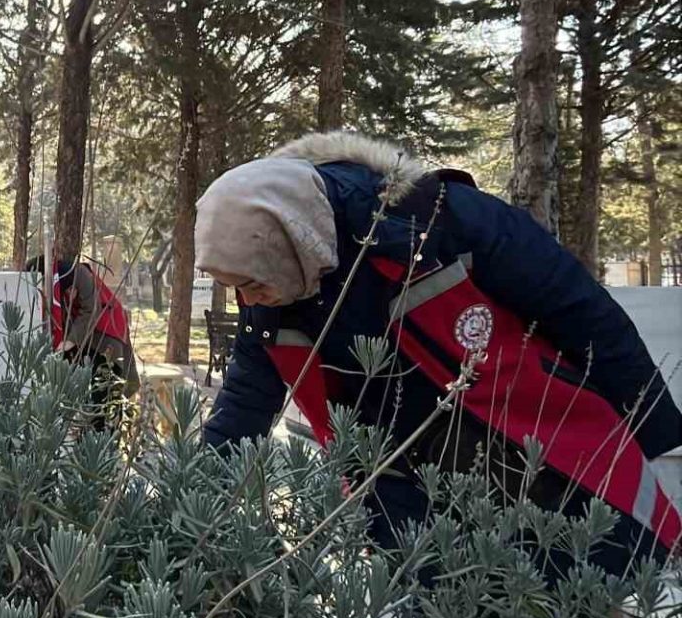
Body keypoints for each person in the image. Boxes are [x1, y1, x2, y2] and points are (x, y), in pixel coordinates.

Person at [195, 131, 681, 577]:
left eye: (251, 283)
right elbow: (245, 401)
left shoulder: (436, 221)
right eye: (236, 286)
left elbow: (581, 311)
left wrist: (659, 438)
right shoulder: (272, 291)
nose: (248, 298)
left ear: (291, 241)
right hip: (404, 494)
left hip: (531, 457)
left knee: (584, 597)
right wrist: (191, 501)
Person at [28, 255, 139, 428]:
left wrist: (70, 341)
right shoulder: (49, 288)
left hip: (105, 334)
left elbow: (91, 309)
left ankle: (103, 436)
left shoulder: (77, 273)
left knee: (105, 393)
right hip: (83, 342)